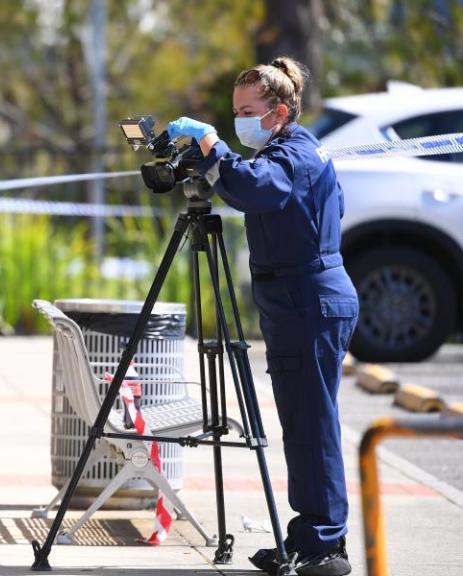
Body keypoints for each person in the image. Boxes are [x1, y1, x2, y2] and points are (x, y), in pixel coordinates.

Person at [166, 57, 358, 576]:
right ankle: (311, 538)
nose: (237, 121)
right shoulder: (282, 150)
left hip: (308, 299)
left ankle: (323, 545)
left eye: (247, 111)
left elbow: (255, 189)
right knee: (302, 422)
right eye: (234, 113)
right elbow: (246, 185)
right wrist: (209, 160)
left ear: (277, 111)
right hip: (299, 300)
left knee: (311, 423)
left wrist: (212, 147)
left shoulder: (294, 152)